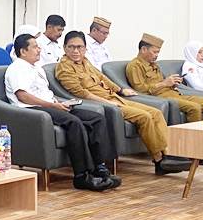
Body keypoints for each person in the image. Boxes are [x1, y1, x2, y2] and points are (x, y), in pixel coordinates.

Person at [55, 31, 190, 175]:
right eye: (72, 47)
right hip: (102, 103)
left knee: (156, 113)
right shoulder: (64, 68)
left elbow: (102, 77)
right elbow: (82, 93)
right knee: (144, 117)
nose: (76, 51)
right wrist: (108, 102)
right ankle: (159, 161)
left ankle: (169, 154)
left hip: (115, 97)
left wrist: (120, 90)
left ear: (85, 48)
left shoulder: (85, 62)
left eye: (80, 47)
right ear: (64, 48)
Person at [6, 33, 119, 191]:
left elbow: (45, 92)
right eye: (35, 47)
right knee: (74, 123)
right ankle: (81, 176)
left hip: (51, 105)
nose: (40, 50)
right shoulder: (16, 68)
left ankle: (99, 168)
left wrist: (59, 103)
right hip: (34, 110)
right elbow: (23, 96)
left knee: (96, 118)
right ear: (23, 51)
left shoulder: (36, 68)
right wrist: (52, 106)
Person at [126, 33, 203, 122]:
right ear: (143, 49)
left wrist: (172, 83)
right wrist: (164, 83)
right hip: (160, 98)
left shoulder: (154, 64)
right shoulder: (135, 66)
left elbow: (164, 83)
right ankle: (194, 141)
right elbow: (140, 91)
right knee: (194, 108)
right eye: (154, 52)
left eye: (158, 52)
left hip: (176, 94)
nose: (157, 55)